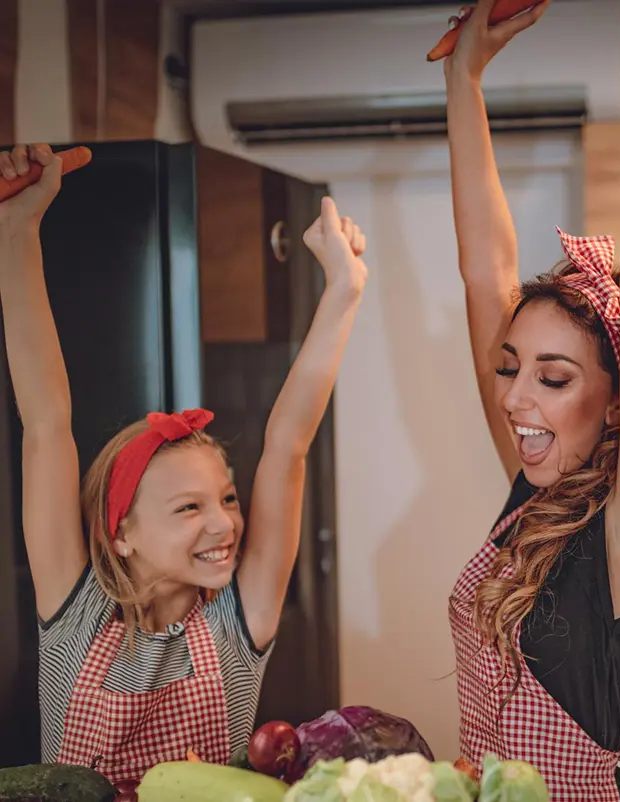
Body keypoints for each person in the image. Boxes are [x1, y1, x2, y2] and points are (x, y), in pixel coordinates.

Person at [0, 143, 367, 784]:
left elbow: (288, 444)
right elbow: (46, 421)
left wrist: (343, 291)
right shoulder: (74, 610)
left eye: (226, 498)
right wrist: (17, 229)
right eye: (189, 508)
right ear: (122, 533)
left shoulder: (237, 621)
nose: (225, 523)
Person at [444, 0, 620, 799]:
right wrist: (464, 79)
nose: (517, 400)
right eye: (510, 367)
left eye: (554, 379)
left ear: (617, 403)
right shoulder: (535, 492)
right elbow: (485, 274)